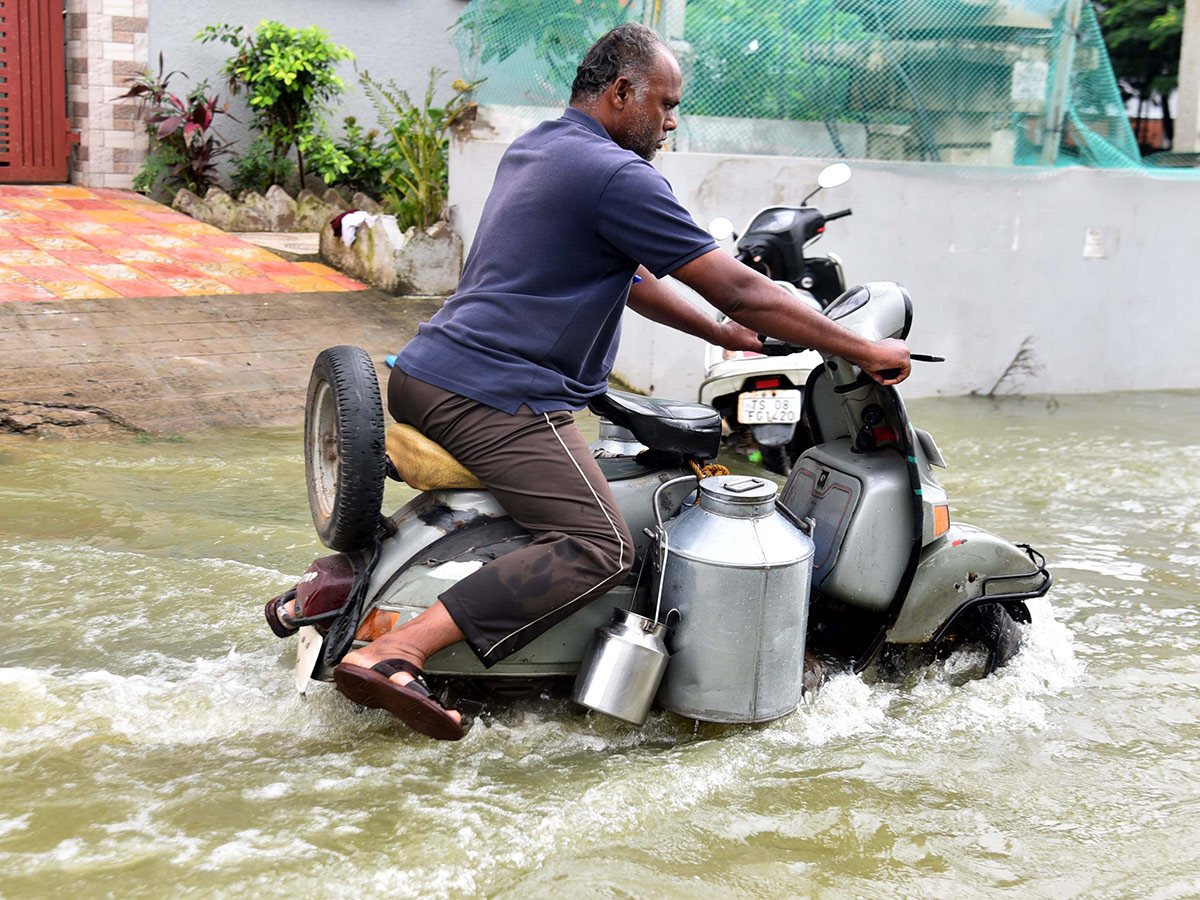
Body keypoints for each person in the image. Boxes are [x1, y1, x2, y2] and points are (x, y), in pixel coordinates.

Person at [313, 23, 910, 740]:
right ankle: (397, 651)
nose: (671, 122)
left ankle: (333, 608)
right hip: (496, 396)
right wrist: (860, 345)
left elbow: (628, 275)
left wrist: (719, 336)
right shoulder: (618, 175)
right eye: (665, 104)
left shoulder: (539, 148)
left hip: (423, 375)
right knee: (600, 543)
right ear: (622, 92)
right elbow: (742, 289)